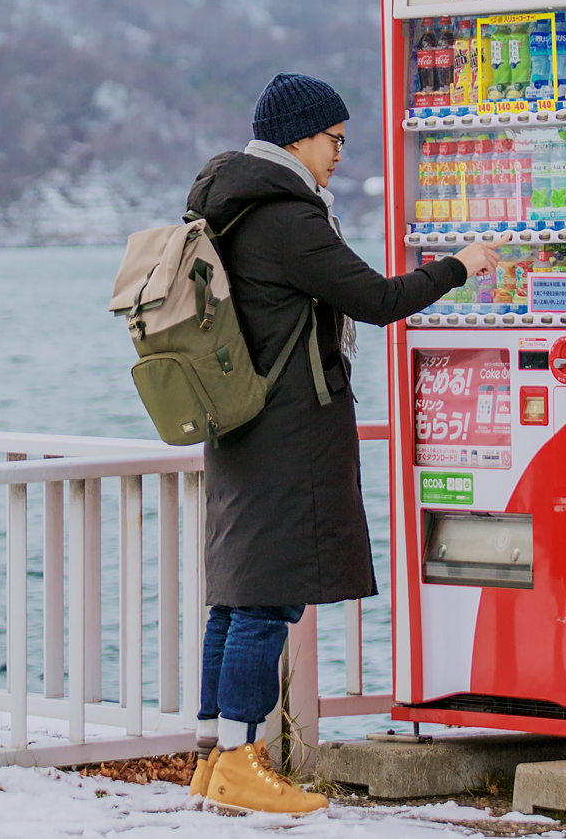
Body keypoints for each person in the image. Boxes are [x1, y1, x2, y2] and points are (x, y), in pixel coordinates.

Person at [183, 72, 499, 816]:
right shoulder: (287, 219)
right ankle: (239, 760)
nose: (339, 156)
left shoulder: (230, 206)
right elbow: (378, 299)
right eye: (334, 140)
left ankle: (211, 757)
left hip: (239, 424)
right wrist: (460, 263)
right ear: (298, 136)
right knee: (266, 601)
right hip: (286, 432)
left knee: (235, 596)